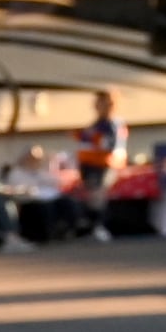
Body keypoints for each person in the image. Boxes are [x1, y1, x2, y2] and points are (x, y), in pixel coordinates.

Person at [74, 91, 120, 241]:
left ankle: (99, 227)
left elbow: (109, 145)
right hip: (89, 165)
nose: (102, 107)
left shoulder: (111, 124)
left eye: (107, 104)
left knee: (97, 196)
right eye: (99, 103)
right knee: (91, 197)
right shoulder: (96, 124)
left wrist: (92, 138)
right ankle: (91, 227)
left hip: (101, 165)